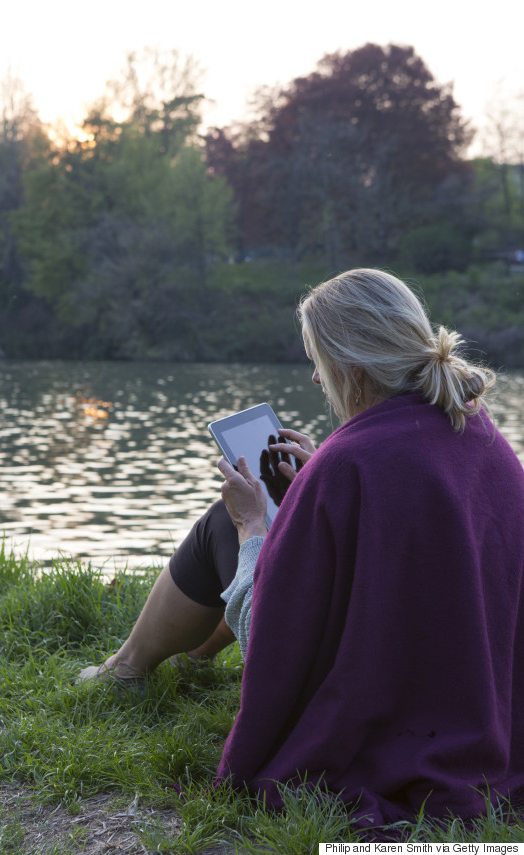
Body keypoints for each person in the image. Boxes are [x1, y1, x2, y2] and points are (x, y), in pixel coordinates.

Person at [78, 268, 524, 827]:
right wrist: (315, 484)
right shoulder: (475, 428)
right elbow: (411, 537)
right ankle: (188, 659)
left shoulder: (352, 460)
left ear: (350, 365)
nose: (315, 378)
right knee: (256, 517)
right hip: (475, 695)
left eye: (317, 360)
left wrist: (253, 529)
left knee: (226, 520)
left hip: (387, 702)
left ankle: (126, 669)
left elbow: (277, 633)